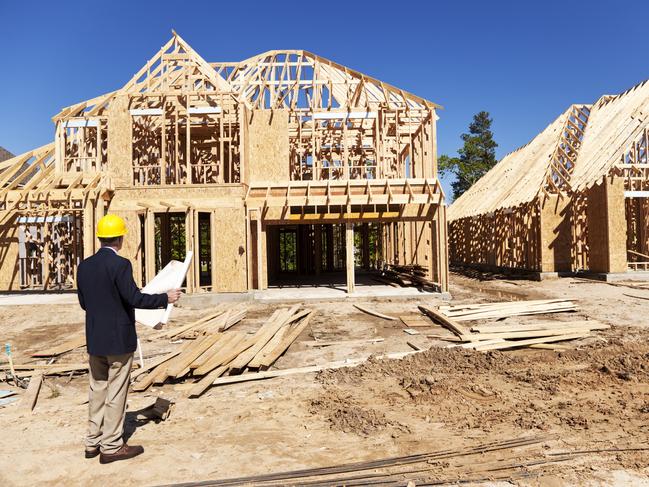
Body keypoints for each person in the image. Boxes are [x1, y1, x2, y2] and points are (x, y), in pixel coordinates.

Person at [77, 214, 181, 464]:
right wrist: (165, 298)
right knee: (116, 391)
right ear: (120, 238)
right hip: (119, 341)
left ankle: (93, 442)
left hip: (95, 340)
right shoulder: (120, 265)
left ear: (101, 237)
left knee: (97, 389)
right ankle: (111, 446)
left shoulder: (85, 266)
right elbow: (135, 298)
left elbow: (84, 303)